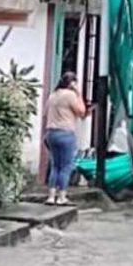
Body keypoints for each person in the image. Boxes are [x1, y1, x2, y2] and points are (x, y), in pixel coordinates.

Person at [44, 72, 89, 206]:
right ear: (72, 83)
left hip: (51, 133)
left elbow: (46, 113)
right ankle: (62, 197)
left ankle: (51, 196)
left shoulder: (53, 95)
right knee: (65, 166)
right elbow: (81, 112)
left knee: (55, 165)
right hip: (65, 133)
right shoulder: (70, 95)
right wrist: (79, 93)